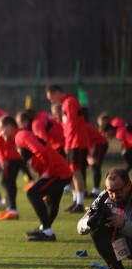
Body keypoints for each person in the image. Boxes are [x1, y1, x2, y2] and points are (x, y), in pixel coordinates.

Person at [0, 115, 73, 241]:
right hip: (59, 170)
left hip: (57, 172)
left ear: (10, 126)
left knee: (32, 193)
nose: (1, 133)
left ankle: (47, 232)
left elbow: (42, 151)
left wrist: (47, 172)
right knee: (51, 201)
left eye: (2, 129)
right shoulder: (19, 138)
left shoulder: (20, 136)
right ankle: (45, 229)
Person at [78, 168, 132, 269]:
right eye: (110, 191)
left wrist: (124, 224)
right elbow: (79, 227)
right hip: (125, 244)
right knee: (97, 227)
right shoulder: (104, 197)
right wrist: (89, 220)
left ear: (129, 185)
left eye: (119, 191)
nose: (114, 195)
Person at [45, 85, 90, 213]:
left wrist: (68, 143)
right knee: (72, 173)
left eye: (51, 97)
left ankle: (80, 203)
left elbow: (72, 124)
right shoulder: (66, 102)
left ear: (58, 92)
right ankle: (76, 201)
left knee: (76, 171)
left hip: (77, 142)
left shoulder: (69, 102)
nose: (51, 100)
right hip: (73, 142)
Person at [83, 117, 109, 197]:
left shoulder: (81, 126)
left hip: (100, 144)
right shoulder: (79, 125)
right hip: (94, 145)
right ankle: (83, 190)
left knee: (95, 165)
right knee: (83, 166)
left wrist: (88, 155)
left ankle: (95, 191)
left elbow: (85, 140)